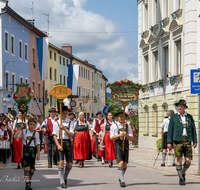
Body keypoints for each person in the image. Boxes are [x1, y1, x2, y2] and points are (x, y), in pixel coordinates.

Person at [167, 99, 197, 185]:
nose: (179, 107)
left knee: (188, 161)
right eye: (178, 106)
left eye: (181, 106)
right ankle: (181, 178)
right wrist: (169, 142)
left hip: (187, 141)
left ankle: (183, 172)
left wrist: (195, 140)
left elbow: (193, 129)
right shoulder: (173, 117)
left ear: (184, 107)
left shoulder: (189, 117)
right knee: (179, 160)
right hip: (177, 141)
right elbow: (170, 130)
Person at [14, 118, 40, 190]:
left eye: (33, 125)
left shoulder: (37, 134)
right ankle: (27, 184)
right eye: (30, 124)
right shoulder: (24, 132)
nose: (32, 126)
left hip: (33, 152)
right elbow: (15, 136)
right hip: (26, 151)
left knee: (32, 170)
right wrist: (20, 128)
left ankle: (29, 181)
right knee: (27, 168)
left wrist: (38, 154)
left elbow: (38, 144)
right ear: (28, 125)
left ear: (35, 126)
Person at [110, 111, 134, 188]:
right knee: (120, 162)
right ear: (117, 117)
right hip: (118, 143)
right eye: (120, 116)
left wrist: (126, 135)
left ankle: (121, 177)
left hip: (126, 143)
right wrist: (120, 135)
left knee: (125, 163)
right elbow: (111, 137)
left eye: (122, 116)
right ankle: (123, 181)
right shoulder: (113, 125)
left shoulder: (127, 126)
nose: (121, 118)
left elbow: (132, 138)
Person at [53, 106, 74, 188]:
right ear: (60, 114)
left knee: (69, 164)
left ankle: (65, 177)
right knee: (61, 162)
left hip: (68, 142)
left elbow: (71, 134)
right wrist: (58, 145)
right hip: (59, 142)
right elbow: (54, 135)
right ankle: (62, 181)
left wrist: (64, 129)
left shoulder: (70, 122)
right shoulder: (56, 122)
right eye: (63, 113)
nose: (65, 114)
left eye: (66, 113)